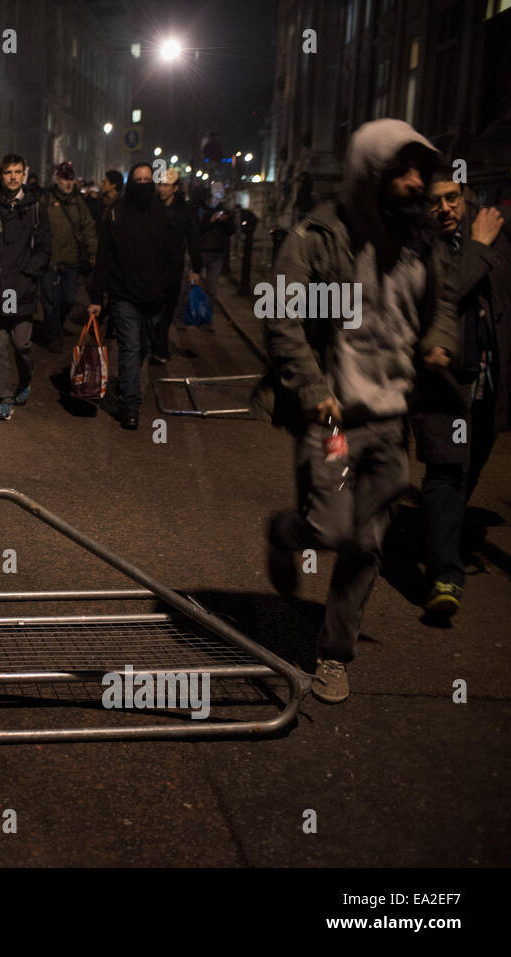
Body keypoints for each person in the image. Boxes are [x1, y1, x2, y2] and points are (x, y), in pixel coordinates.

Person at [258, 119, 460, 704]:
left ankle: (333, 654)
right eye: (402, 170)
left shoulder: (422, 241)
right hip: (334, 419)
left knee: (366, 545)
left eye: (421, 170)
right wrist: (312, 387)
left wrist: (436, 341)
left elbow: (443, 301)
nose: (416, 181)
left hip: (393, 420)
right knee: (329, 528)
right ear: (370, 173)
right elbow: (280, 314)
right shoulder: (319, 236)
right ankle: (284, 532)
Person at [412, 173, 510, 616]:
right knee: (448, 471)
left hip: (489, 380)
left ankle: (436, 535)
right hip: (445, 383)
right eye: (436, 202)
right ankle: (444, 577)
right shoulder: (421, 248)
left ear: (466, 198)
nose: (446, 209)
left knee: (472, 466)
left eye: (453, 198)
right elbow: (448, 292)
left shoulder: (488, 240)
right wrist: (482, 246)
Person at [88, 162, 172, 430]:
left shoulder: (161, 214)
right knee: (130, 347)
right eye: (139, 179)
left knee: (143, 349)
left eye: (148, 179)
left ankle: (129, 387)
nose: (143, 184)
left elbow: (172, 257)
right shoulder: (117, 214)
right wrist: (96, 296)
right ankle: (130, 404)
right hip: (124, 294)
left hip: (154, 296)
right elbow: (104, 257)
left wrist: (170, 291)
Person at [0, 153, 51, 420]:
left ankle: (25, 381)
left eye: (18, 172)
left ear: (24, 174)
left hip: (21, 287)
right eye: (8, 172)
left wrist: (29, 276)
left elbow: (43, 248)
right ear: (0, 175)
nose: (13, 177)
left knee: (23, 344)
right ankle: (5, 397)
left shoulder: (36, 207)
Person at [40, 160, 97, 354]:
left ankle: (56, 325)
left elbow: (88, 228)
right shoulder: (46, 200)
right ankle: (54, 335)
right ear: (57, 179)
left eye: (71, 179)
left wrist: (92, 253)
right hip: (50, 261)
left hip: (71, 261)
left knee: (68, 300)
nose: (68, 183)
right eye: (65, 178)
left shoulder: (78, 202)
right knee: (50, 301)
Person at [153, 167, 202, 363]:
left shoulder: (184, 210)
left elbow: (193, 238)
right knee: (154, 307)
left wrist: (196, 268)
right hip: (153, 264)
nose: (162, 189)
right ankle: (158, 345)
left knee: (168, 307)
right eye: (160, 184)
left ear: (174, 188)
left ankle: (159, 344)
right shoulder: (153, 206)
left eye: (166, 185)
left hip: (174, 265)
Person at [195, 180, 234, 325]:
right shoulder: (202, 208)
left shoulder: (225, 209)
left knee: (212, 289)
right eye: (215, 196)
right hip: (201, 251)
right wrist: (210, 220)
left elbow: (231, 231)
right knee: (192, 285)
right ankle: (185, 316)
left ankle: (207, 319)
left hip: (217, 254)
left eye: (219, 196)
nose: (217, 200)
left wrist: (226, 221)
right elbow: (197, 228)